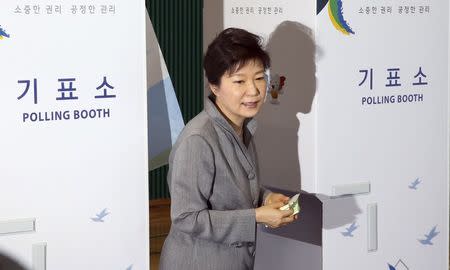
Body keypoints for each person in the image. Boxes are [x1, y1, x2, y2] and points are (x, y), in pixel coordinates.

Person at [159, 28, 297, 270]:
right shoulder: (198, 139)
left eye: (259, 77)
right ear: (214, 86)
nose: (253, 90)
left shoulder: (241, 126)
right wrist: (258, 216)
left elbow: (229, 187)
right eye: (239, 81)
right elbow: (186, 218)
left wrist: (266, 198)